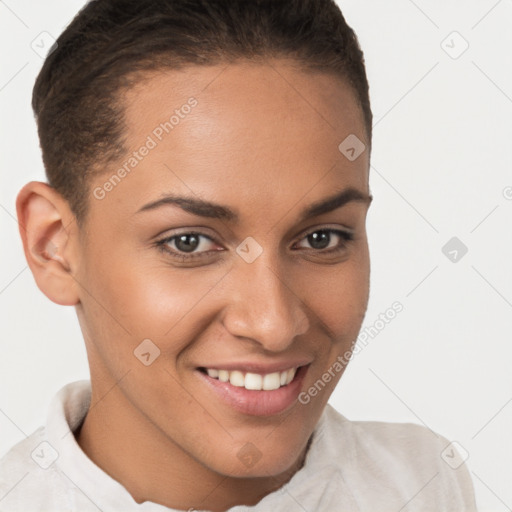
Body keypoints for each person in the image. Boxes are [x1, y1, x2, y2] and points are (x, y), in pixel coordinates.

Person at [0, 0, 477, 510]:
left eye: (322, 238)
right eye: (189, 242)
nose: (273, 324)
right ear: (54, 248)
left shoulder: (423, 484)